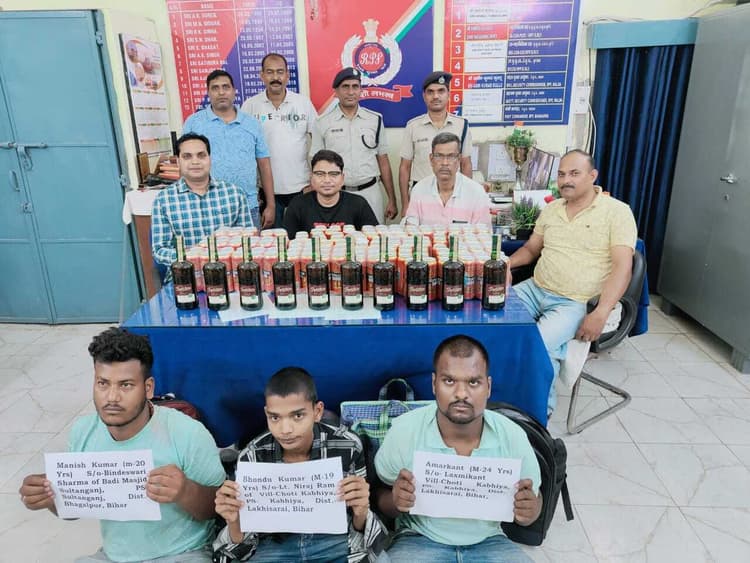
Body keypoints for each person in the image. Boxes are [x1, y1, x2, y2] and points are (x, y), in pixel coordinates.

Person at [18, 328, 225, 562]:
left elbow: (218, 509)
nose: (112, 397)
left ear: (148, 388)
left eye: (125, 385)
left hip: (182, 553)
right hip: (112, 556)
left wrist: (185, 490)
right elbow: (73, 509)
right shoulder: (83, 432)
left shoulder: (188, 433)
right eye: (103, 383)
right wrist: (49, 498)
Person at [374, 335, 542, 562]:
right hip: (419, 539)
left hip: (490, 541)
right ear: (434, 384)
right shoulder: (405, 430)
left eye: (473, 382)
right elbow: (379, 496)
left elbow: (535, 500)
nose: (461, 394)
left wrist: (530, 510)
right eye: (449, 381)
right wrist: (396, 501)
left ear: (488, 387)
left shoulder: (512, 435)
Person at [213, 367, 388, 562]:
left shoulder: (348, 444)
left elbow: (359, 526)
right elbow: (244, 543)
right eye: (275, 417)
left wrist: (361, 510)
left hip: (333, 542)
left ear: (317, 411)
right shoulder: (252, 455)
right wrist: (234, 520)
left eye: (297, 416)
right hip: (273, 547)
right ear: (266, 414)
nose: (285, 429)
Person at [509, 149, 637, 414]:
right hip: (535, 288)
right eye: (561, 174)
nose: (566, 180)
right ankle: (503, 391)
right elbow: (531, 249)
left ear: (592, 176)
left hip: (575, 302)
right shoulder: (552, 209)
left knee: (537, 345)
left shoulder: (617, 212)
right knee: (491, 321)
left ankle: (538, 413)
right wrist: (506, 265)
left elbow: (623, 268)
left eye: (574, 174)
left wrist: (601, 312)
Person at [184, 69, 275, 228]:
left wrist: (271, 205)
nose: (221, 92)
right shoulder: (194, 123)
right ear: (208, 93)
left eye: (226, 87)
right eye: (215, 88)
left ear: (234, 91)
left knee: (250, 245)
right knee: (210, 246)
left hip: (247, 207)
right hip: (205, 207)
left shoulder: (251, 124)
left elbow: (264, 165)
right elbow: (184, 165)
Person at [151, 133, 253, 268]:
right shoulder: (164, 200)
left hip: (229, 271)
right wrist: (192, 256)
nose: (195, 162)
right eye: (187, 156)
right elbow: (159, 250)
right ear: (178, 161)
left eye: (201, 155)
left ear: (210, 158)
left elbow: (248, 240)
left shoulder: (234, 193)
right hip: (185, 272)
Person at [311, 67, 397, 223]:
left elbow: (383, 161)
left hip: (370, 192)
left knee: (373, 235)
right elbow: (316, 165)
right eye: (345, 87)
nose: (350, 92)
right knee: (340, 236)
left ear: (360, 90)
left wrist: (392, 198)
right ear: (336, 92)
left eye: (355, 86)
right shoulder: (322, 123)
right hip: (337, 195)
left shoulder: (375, 120)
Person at [241, 53, 318, 228]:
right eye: (270, 72)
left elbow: (319, 141)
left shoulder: (303, 103)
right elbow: (244, 150)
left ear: (287, 75)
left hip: (302, 188)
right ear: (262, 75)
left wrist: (315, 179)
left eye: (280, 72)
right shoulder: (250, 106)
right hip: (266, 192)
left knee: (303, 240)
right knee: (274, 242)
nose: (275, 77)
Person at [399, 71, 473, 217]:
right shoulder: (413, 126)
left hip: (453, 195)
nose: (436, 96)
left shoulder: (461, 125)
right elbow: (404, 167)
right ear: (424, 96)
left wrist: (467, 199)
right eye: (430, 92)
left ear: (448, 94)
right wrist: (405, 203)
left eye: (441, 91)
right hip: (420, 196)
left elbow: (466, 164)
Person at [403, 132, 491, 227]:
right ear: (431, 159)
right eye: (439, 156)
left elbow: (483, 233)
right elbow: (410, 229)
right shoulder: (419, 190)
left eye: (451, 156)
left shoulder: (476, 193)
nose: (445, 163)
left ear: (459, 159)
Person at [283, 149, 378, 234]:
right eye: (320, 174)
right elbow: (287, 242)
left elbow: (374, 239)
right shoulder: (298, 205)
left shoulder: (358, 204)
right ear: (311, 177)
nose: (327, 180)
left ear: (342, 178)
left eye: (333, 174)